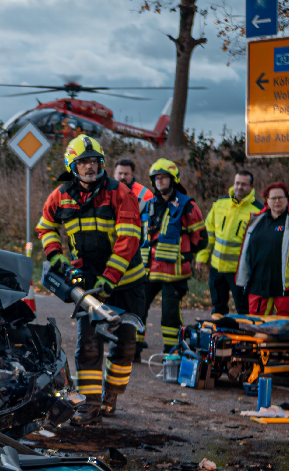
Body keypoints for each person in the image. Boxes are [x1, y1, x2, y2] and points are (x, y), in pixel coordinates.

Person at [35, 135, 146, 423]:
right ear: (73, 166)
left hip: (125, 282)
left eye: (94, 161)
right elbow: (46, 226)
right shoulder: (61, 195)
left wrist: (110, 278)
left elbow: (128, 239)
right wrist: (55, 254)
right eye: (83, 162)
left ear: (102, 163)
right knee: (89, 344)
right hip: (86, 283)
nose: (89, 167)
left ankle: (112, 394)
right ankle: (91, 403)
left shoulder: (120, 193)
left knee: (125, 346)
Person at [141, 158, 206, 354]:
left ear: (173, 180)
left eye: (164, 178)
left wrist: (183, 253)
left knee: (170, 314)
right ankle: (133, 348)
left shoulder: (187, 205)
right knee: (137, 308)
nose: (160, 182)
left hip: (174, 271)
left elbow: (200, 239)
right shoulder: (146, 205)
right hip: (148, 269)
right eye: (156, 178)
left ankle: (172, 351)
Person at [196, 170, 261, 315]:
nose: (239, 187)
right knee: (218, 308)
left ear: (252, 186)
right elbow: (208, 234)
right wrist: (201, 257)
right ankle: (220, 336)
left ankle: (243, 337)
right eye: (237, 183)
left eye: (244, 184)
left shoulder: (258, 211)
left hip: (240, 271)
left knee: (243, 309)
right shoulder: (220, 203)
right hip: (217, 268)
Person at [236, 181, 289, 315]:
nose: (277, 201)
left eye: (281, 197)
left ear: (287, 199)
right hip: (259, 286)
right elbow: (246, 252)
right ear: (267, 200)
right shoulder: (256, 220)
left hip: (287, 287)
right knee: (257, 327)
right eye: (273, 198)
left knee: (286, 329)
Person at [113, 158, 151, 359]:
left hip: (138, 258)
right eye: (119, 173)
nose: (122, 177)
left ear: (132, 175)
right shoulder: (107, 192)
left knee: (135, 309)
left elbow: (147, 229)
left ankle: (134, 346)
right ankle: (116, 341)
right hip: (113, 260)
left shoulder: (144, 195)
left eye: (126, 174)